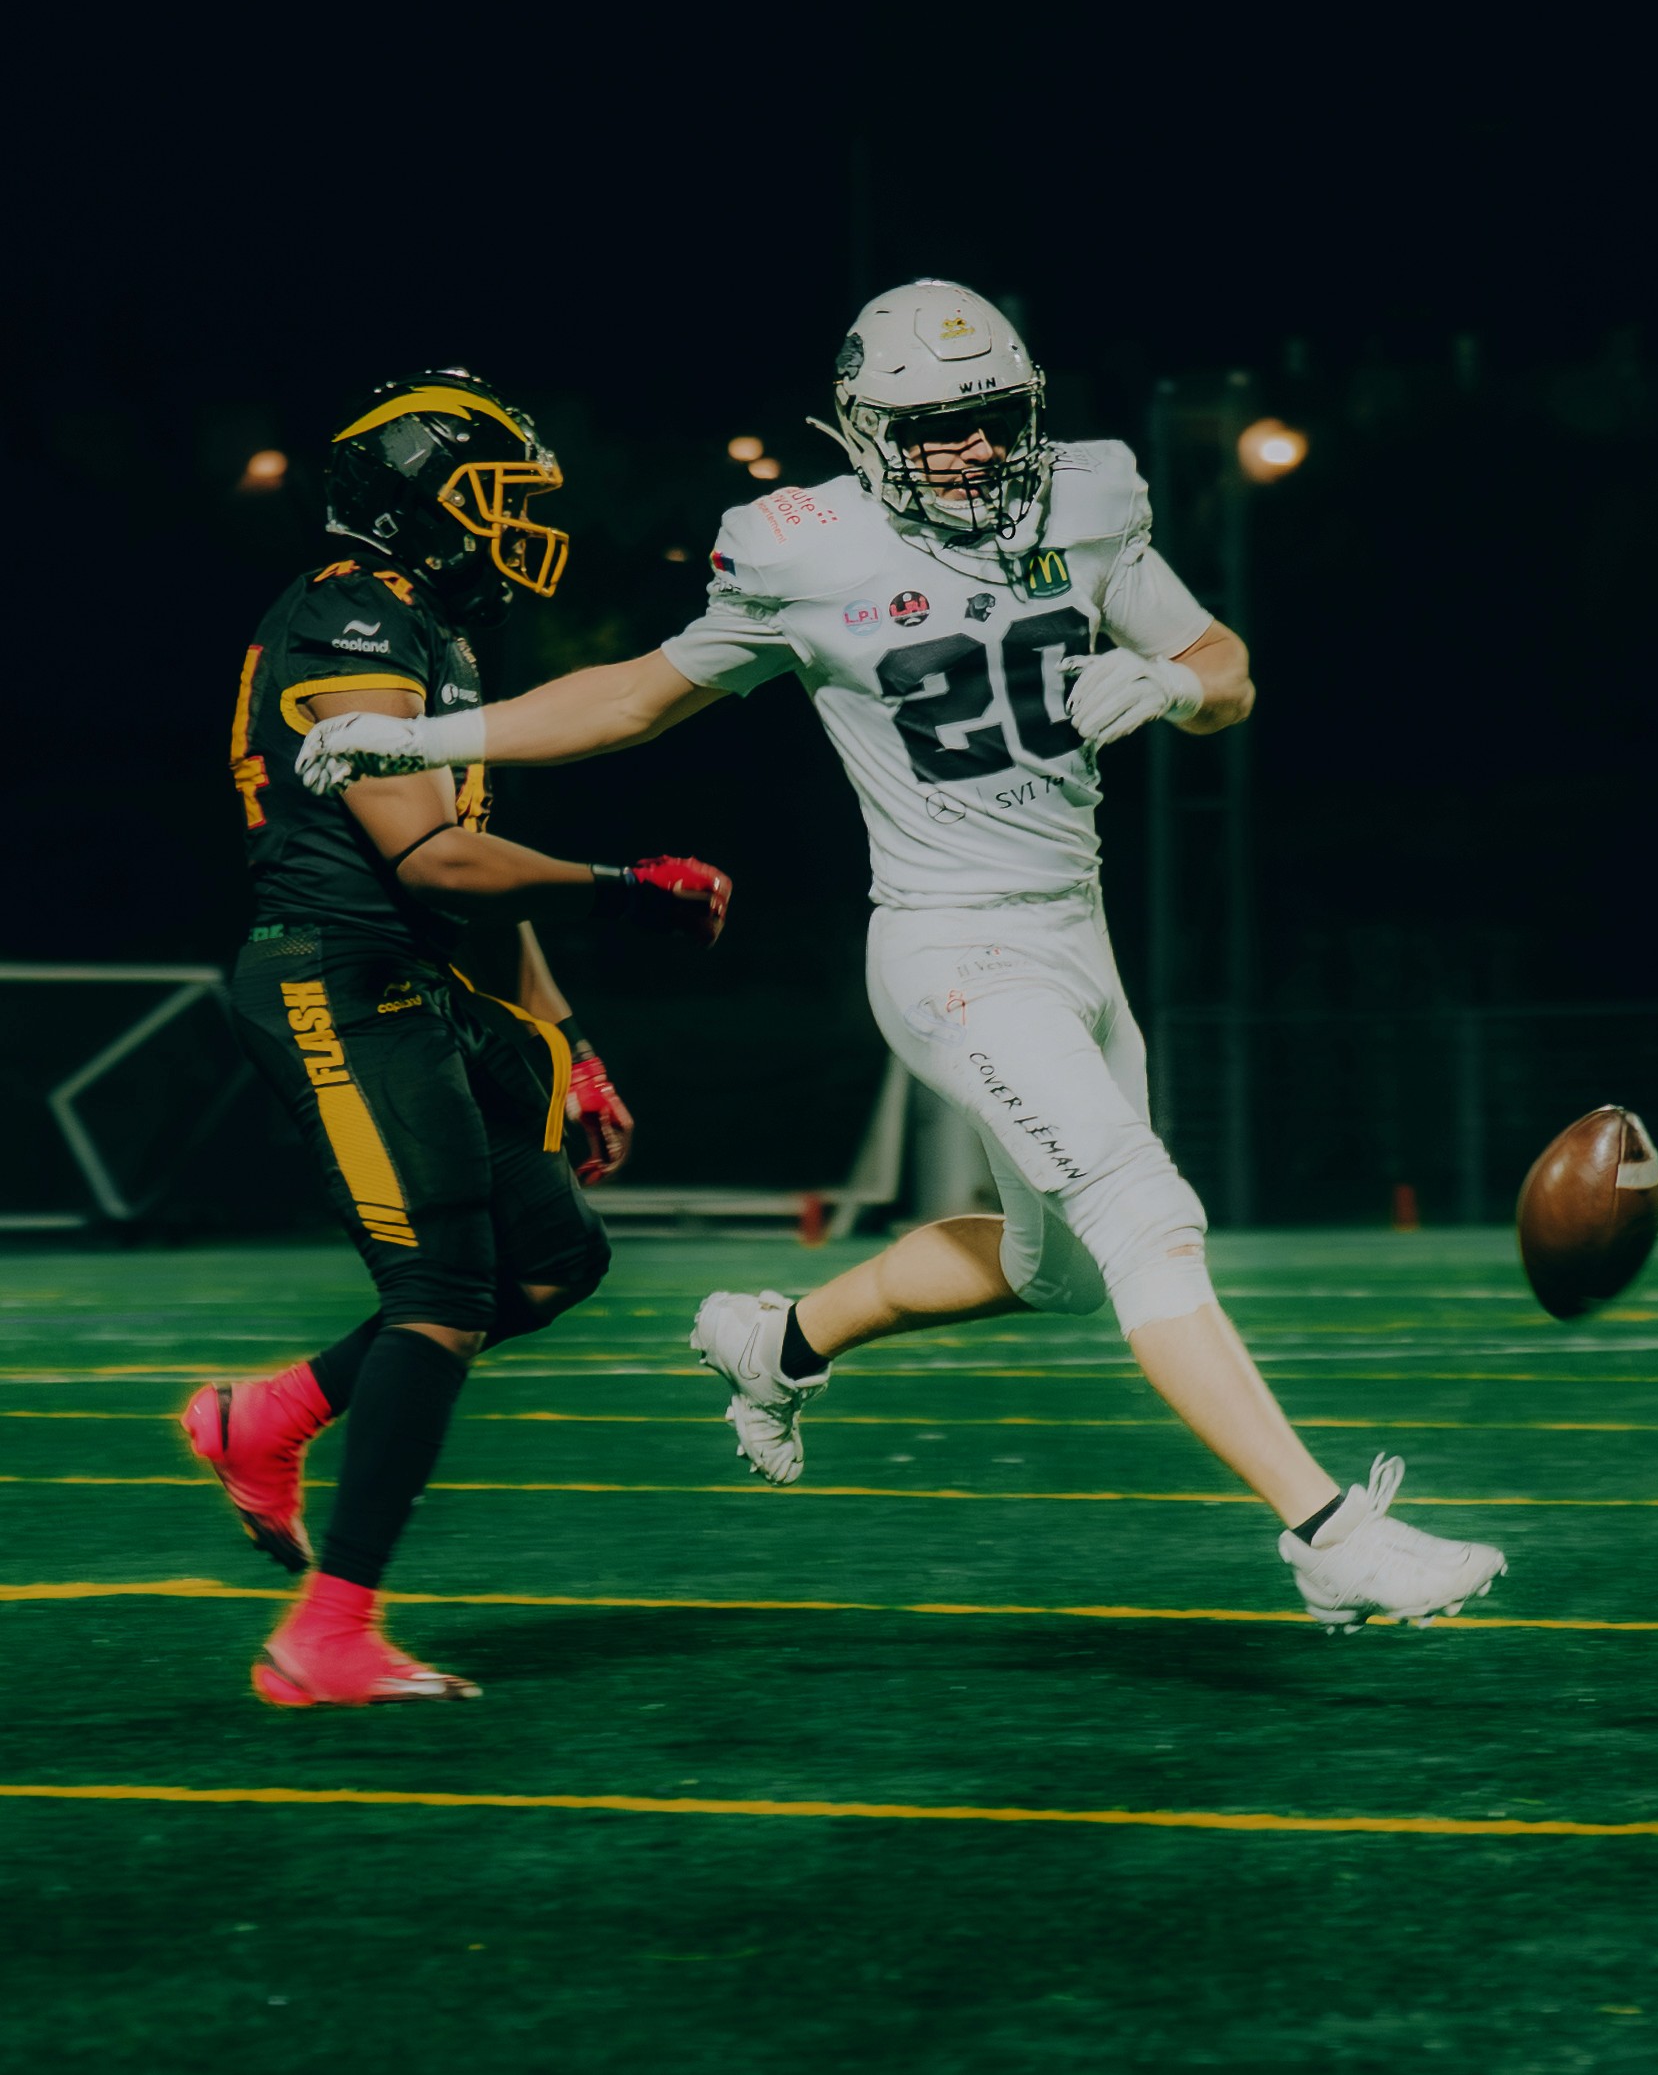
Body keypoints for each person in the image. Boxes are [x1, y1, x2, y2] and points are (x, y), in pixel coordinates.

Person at [296, 296, 1503, 1632]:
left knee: (1059, 1272)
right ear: (868, 433)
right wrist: (424, 740)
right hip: (950, 946)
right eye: (940, 428)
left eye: (995, 417)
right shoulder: (805, 549)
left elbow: (1224, 666)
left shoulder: (1088, 497)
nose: (978, 449)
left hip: (1074, 934)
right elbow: (635, 697)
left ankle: (778, 1340)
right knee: (1142, 1210)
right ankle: (1331, 1538)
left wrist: (1172, 687)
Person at [190, 369, 731, 1704]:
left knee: (555, 1258)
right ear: (415, 497)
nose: (516, 526)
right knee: (437, 1291)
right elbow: (433, 861)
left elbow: (466, 868)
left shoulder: (424, 627)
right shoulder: (348, 622)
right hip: (335, 975)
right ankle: (326, 1638)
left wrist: (571, 1047)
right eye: (495, 497)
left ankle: (270, 1417)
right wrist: (624, 887)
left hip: (415, 977)